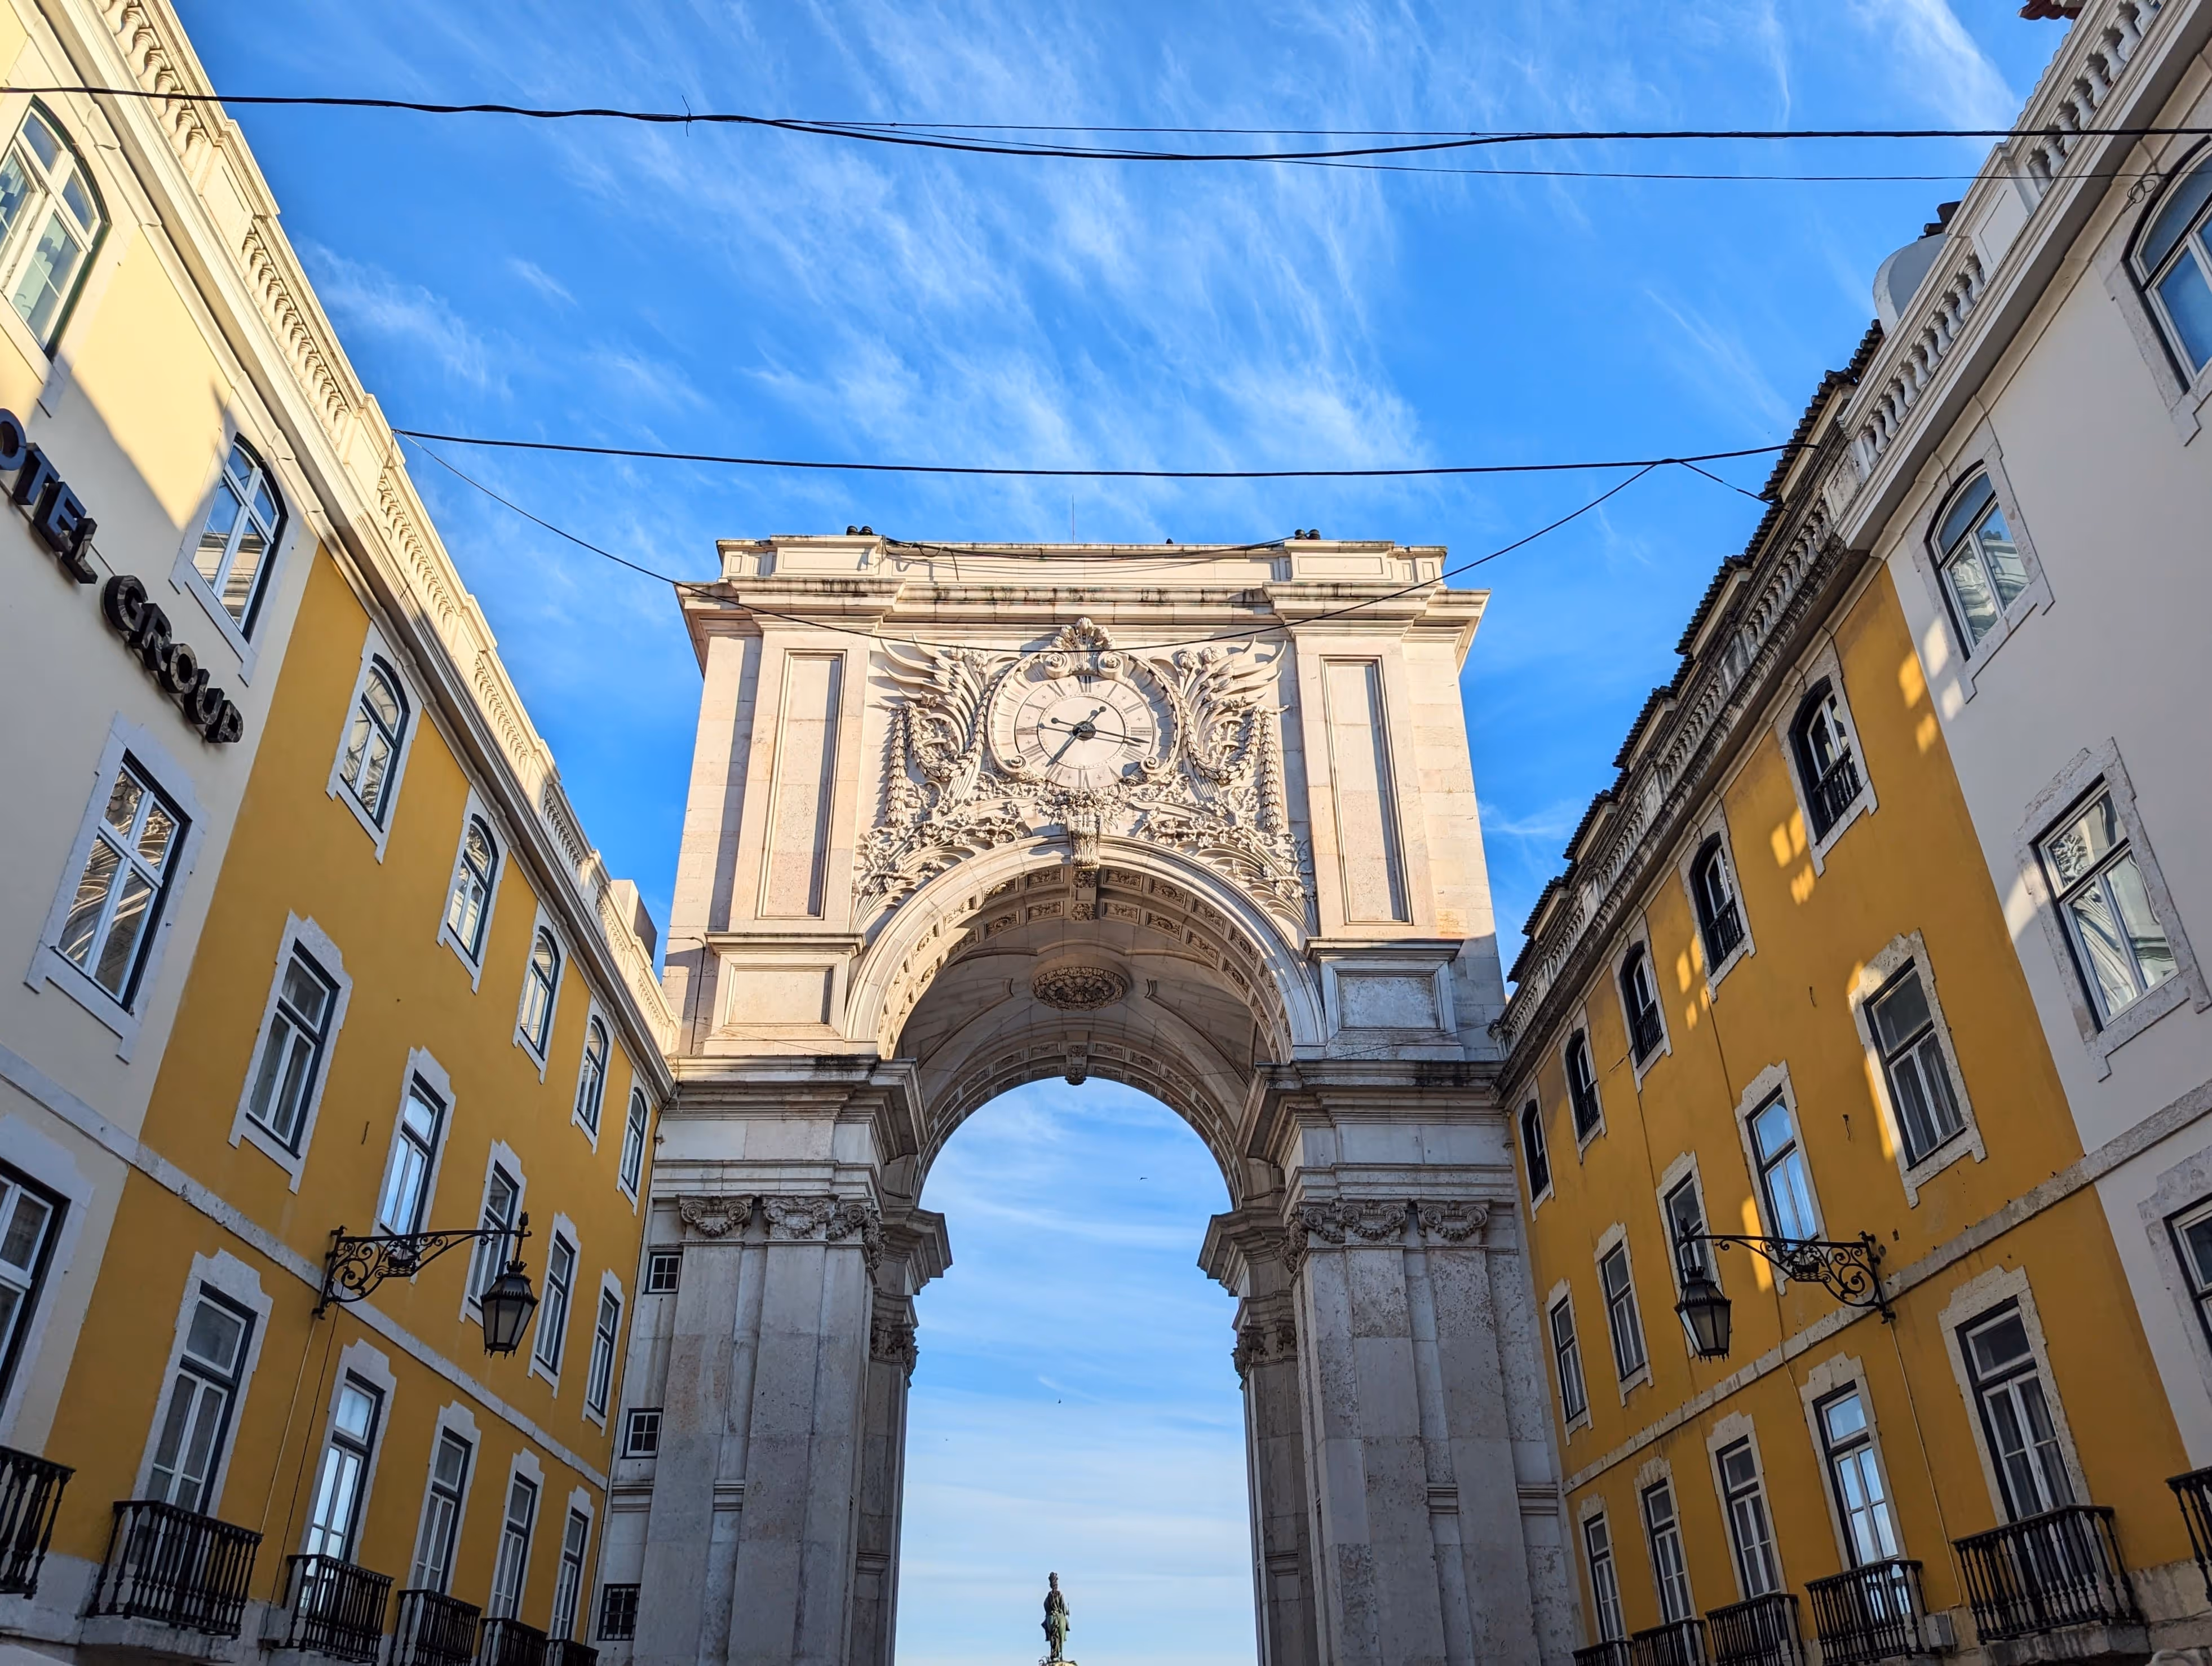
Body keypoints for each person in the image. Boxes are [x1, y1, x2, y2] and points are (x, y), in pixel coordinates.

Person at [1042, 1571, 1070, 1663]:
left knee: (1048, 1629)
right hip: (1059, 1615)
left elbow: (1045, 1605)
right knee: (1063, 1633)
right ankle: (1061, 1655)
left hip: (1051, 1616)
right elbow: (1063, 1606)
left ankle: (1049, 1640)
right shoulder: (1060, 1595)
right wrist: (1067, 1612)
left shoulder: (1049, 1596)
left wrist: (1048, 1613)